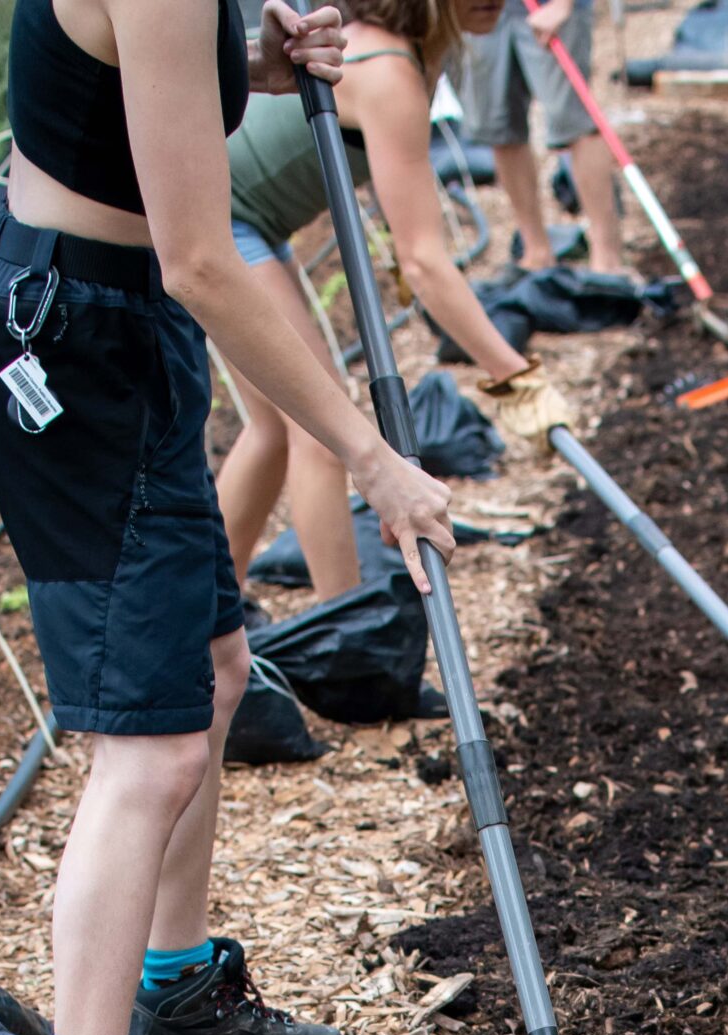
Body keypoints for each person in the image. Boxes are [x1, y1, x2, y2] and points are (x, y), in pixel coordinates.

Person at [0, 0, 455, 1035]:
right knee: (149, 753)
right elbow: (203, 257)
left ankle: (176, 999)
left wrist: (254, 60)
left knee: (217, 676)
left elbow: (129, 75)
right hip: (75, 343)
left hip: (122, 327)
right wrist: (372, 457)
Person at [216, 0, 573, 603]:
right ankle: (349, 639)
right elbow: (426, 264)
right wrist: (514, 378)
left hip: (247, 217)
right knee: (322, 429)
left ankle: (208, 609)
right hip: (220, 218)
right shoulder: (387, 71)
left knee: (273, 431)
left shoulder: (411, 59)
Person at [459, 0, 625, 279]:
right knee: (500, 127)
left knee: (576, 123)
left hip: (549, 9)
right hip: (479, 12)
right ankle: (535, 251)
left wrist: (563, 5)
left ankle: (606, 258)